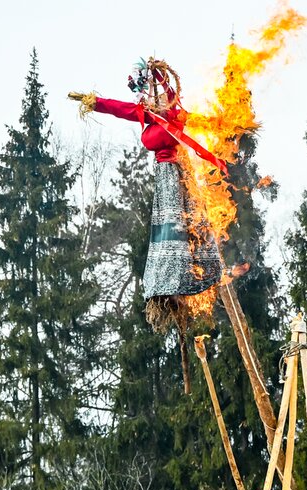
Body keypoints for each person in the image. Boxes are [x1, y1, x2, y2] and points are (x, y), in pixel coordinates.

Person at [68, 57, 223, 331]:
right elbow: (116, 108)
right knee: (166, 230)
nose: (153, 99)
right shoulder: (145, 116)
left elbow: (185, 105)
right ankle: (167, 285)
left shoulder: (176, 114)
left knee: (182, 226)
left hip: (178, 173)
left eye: (157, 94)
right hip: (163, 178)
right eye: (150, 94)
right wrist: (92, 101)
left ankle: (186, 274)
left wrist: (159, 75)